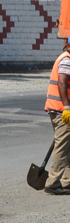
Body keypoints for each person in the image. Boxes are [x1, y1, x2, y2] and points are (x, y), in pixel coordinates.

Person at [44, 38, 70, 195]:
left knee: (68, 146)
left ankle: (67, 181)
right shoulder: (67, 60)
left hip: (61, 110)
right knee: (62, 147)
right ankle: (52, 183)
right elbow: (62, 83)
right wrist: (67, 107)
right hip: (62, 111)